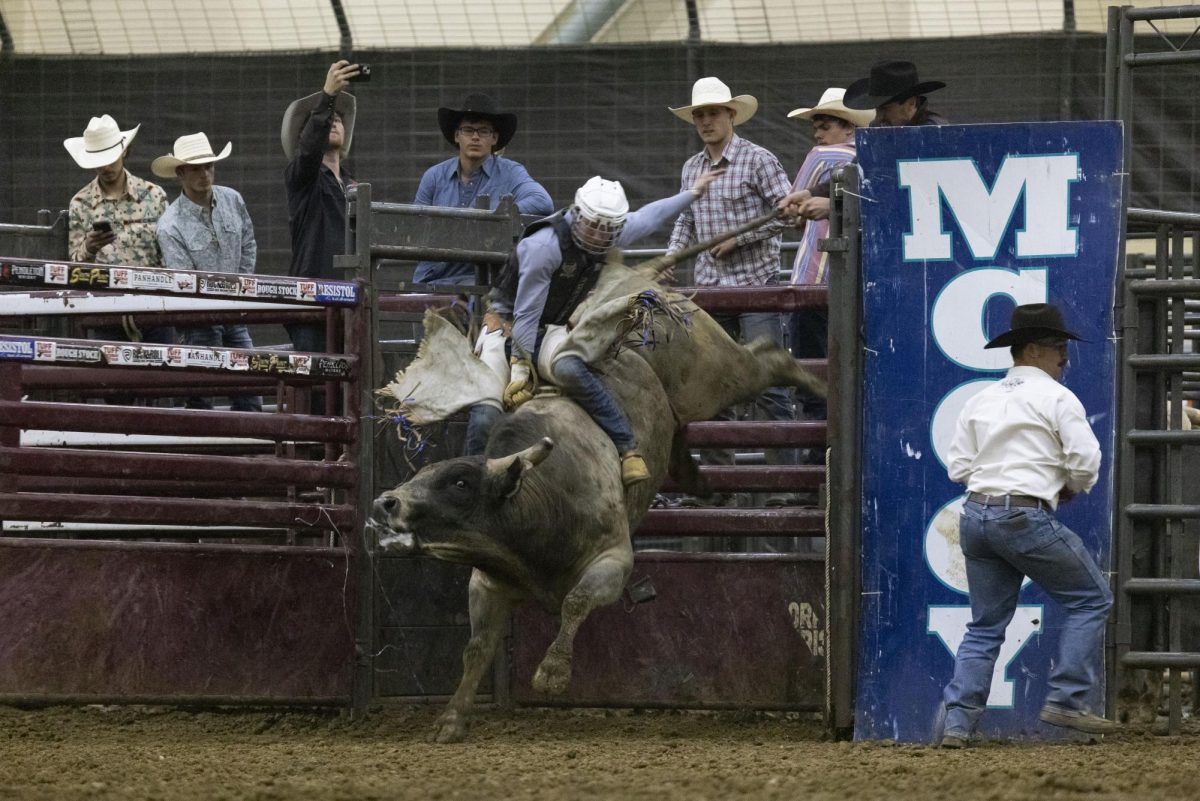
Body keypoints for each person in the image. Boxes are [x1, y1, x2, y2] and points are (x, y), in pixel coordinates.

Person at [940, 303, 1116, 748]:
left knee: (984, 625)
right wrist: (1066, 485)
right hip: (1023, 513)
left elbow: (959, 466)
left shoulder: (981, 398)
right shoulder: (1057, 397)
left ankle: (958, 725)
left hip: (976, 514)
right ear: (1035, 350)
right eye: (1060, 349)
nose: (1065, 358)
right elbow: (1086, 461)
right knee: (1091, 598)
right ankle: (1068, 699)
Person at [481, 172, 722, 485]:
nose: (597, 235)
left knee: (569, 368)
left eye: (606, 229)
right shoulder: (544, 246)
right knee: (483, 413)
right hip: (506, 325)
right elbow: (525, 312)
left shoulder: (609, 229)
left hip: (553, 326)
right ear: (577, 215)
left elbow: (648, 217)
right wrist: (519, 368)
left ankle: (627, 448)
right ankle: (477, 477)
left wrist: (691, 193)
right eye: (592, 225)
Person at [665, 76, 797, 507]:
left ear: (731, 116)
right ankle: (720, 485)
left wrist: (738, 239)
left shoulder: (759, 160)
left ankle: (782, 485)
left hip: (755, 285)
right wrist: (670, 258)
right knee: (710, 385)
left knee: (771, 385)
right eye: (699, 115)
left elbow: (788, 212)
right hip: (711, 289)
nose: (706, 121)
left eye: (713, 113)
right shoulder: (691, 168)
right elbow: (685, 219)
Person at [784, 89, 872, 433]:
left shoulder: (821, 156)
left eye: (825, 125)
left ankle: (814, 465)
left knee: (812, 376)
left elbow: (793, 211)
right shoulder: (873, 161)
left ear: (848, 127)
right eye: (817, 128)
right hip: (857, 283)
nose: (818, 134)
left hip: (815, 280)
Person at [154, 132, 261, 413]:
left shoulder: (232, 200)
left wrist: (240, 291)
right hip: (198, 321)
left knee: (249, 390)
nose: (204, 174)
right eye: (196, 168)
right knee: (200, 396)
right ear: (181, 172)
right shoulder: (170, 225)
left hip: (234, 314)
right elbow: (184, 279)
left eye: (208, 166)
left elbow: (248, 244)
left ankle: (252, 447)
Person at [782, 60, 948, 222]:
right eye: (877, 109)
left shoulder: (932, 134)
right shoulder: (882, 131)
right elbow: (854, 173)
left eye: (885, 108)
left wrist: (835, 207)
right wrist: (812, 193)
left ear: (911, 103)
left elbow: (909, 196)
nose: (880, 116)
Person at [413, 93, 553, 285]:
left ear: (494, 138)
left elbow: (542, 201)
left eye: (484, 131)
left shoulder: (511, 172)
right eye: (468, 130)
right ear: (457, 136)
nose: (475, 137)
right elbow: (414, 227)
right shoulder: (434, 177)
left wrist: (493, 218)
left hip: (483, 279)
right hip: (433, 279)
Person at [64, 114, 176, 352]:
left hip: (154, 308)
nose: (105, 167)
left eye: (110, 158)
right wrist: (89, 248)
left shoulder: (154, 195)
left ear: (125, 151)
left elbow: (171, 256)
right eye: (99, 161)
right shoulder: (81, 203)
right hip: (106, 311)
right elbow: (72, 269)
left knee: (163, 382)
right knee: (111, 384)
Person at [280, 60, 360, 354]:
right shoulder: (302, 177)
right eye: (327, 118)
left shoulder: (355, 186)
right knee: (314, 393)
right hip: (312, 303)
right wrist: (326, 98)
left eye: (338, 118)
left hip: (352, 305)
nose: (334, 120)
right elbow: (309, 153)